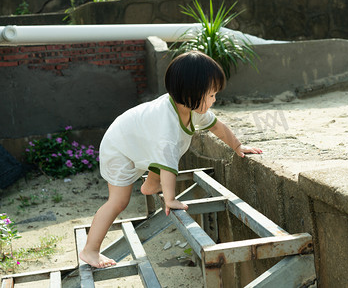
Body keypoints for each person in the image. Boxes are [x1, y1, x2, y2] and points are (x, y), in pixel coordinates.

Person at [79, 51, 263, 268]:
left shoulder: (192, 108)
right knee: (118, 202)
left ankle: (151, 184)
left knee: (168, 149)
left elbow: (217, 126)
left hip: (137, 141)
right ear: (191, 93)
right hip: (119, 148)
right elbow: (168, 164)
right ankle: (90, 250)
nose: (215, 100)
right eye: (211, 95)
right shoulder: (165, 123)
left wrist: (238, 146)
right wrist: (170, 199)